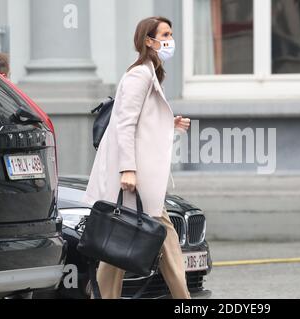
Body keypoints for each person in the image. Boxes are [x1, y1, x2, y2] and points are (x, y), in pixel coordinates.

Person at [83, 16, 192, 299]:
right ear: (148, 40)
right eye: (165, 34)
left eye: (170, 33)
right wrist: (128, 169)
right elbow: (125, 124)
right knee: (121, 246)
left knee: (122, 246)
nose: (170, 39)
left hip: (142, 181)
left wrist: (170, 123)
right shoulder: (139, 75)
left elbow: (142, 122)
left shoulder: (151, 73)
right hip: (133, 179)